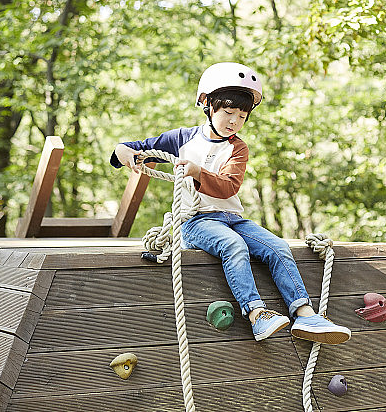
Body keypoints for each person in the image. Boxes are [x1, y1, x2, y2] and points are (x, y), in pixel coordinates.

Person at [111, 62, 350, 344]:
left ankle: (305, 313)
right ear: (207, 104)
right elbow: (133, 147)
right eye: (228, 112)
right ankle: (257, 314)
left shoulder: (238, 148)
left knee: (278, 247)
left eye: (242, 115)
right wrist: (122, 151)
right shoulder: (181, 139)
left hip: (232, 218)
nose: (234, 121)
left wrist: (198, 172)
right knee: (233, 246)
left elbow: (228, 186)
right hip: (196, 221)